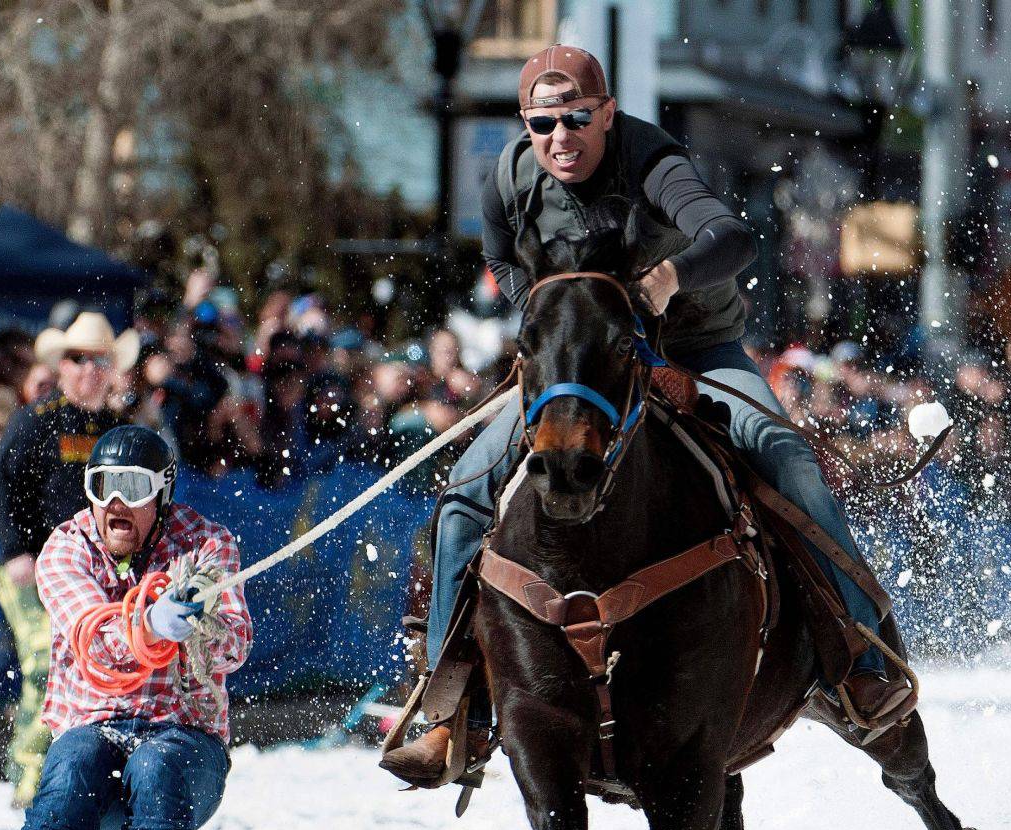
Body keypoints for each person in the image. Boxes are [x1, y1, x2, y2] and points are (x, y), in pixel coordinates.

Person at [384, 45, 908, 782]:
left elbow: (734, 238)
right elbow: (504, 262)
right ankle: (449, 707)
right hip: (588, 368)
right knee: (467, 486)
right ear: (525, 125)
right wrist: (550, 321)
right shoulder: (507, 176)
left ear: (606, 115)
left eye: (575, 119)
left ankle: (857, 656)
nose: (559, 138)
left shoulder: (653, 161)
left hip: (697, 347)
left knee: (785, 455)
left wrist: (667, 279)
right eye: (542, 123)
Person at [0, 425, 252, 830]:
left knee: (156, 763)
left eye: (134, 487)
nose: (117, 503)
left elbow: (236, 646)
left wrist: (202, 627)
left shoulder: (207, 545)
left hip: (184, 743)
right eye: (104, 487)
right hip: (96, 732)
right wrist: (149, 625)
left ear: (163, 493)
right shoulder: (64, 549)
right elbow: (92, 633)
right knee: (70, 762)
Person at [0, 312, 125, 807]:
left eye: (97, 361)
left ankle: (74, 772)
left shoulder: (116, 430)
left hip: (93, 573)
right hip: (34, 566)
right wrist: (14, 551)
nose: (88, 370)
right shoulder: (35, 421)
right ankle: (30, 774)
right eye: (77, 359)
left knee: (94, 672)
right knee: (46, 665)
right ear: (61, 366)